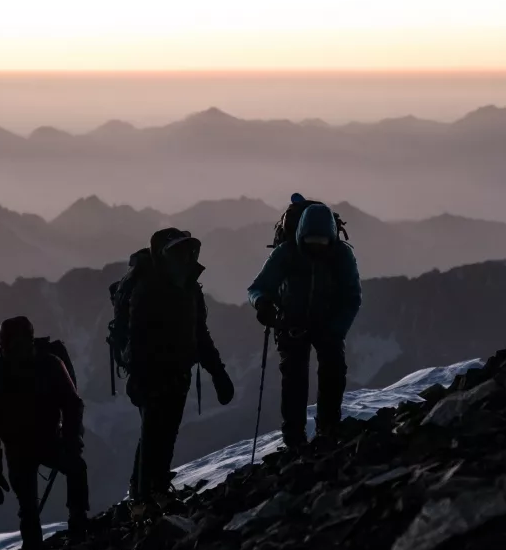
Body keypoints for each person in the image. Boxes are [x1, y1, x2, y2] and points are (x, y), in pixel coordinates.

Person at [126, 227, 235, 514]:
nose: (184, 258)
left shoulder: (189, 289)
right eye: (177, 252)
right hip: (152, 373)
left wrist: (218, 372)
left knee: (163, 430)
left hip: (176, 372)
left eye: (185, 252)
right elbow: (137, 337)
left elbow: (200, 333)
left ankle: (148, 490)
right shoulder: (147, 289)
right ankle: (145, 495)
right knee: (154, 431)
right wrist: (137, 377)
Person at [247, 202, 362, 447]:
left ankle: (326, 430)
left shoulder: (340, 255)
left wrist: (336, 329)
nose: (316, 247)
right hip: (293, 322)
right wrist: (262, 303)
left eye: (321, 242)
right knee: (295, 380)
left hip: (326, 324)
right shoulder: (287, 253)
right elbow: (258, 288)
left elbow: (352, 298)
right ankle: (296, 438)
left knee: (329, 374)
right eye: (312, 242)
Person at [0, 315, 89, 550]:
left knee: (31, 504)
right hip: (33, 445)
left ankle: (49, 543)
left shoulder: (1, 376)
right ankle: (73, 529)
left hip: (24, 447)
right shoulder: (46, 365)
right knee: (69, 473)